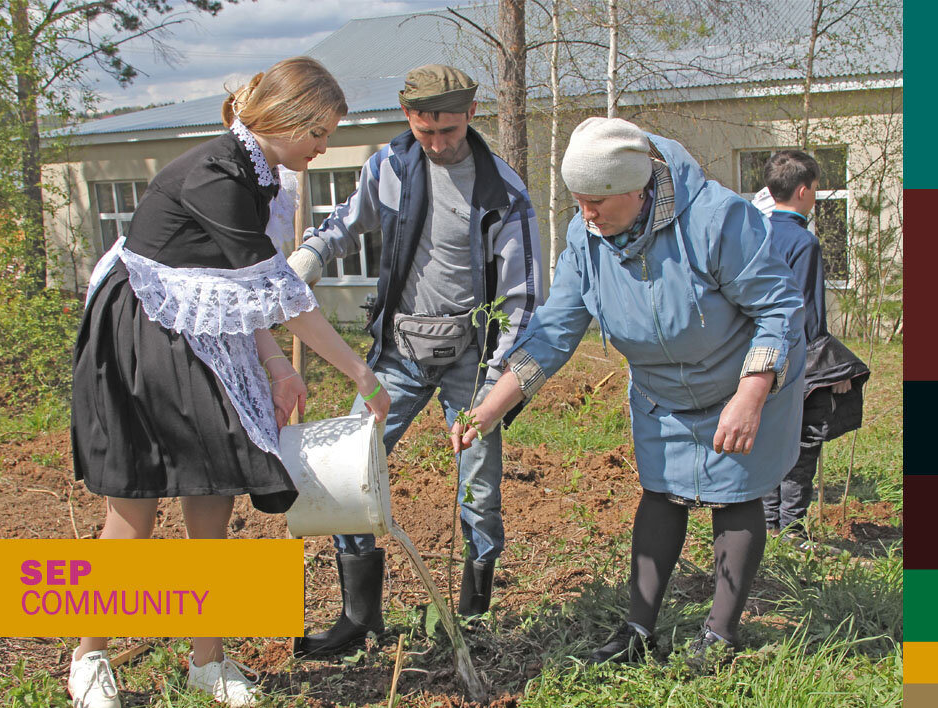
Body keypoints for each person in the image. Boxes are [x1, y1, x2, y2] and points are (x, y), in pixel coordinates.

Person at [68, 57, 390, 708]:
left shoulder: (261, 176)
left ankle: (206, 659)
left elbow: (235, 293)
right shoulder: (217, 174)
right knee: (133, 511)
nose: (326, 146)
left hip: (202, 332)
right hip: (141, 337)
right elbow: (282, 298)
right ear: (294, 120)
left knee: (213, 497)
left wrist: (273, 365)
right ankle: (88, 657)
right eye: (323, 131)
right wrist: (359, 370)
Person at [451, 117, 806, 669]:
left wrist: (752, 393)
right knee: (662, 491)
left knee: (735, 492)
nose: (586, 213)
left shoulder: (715, 219)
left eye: (597, 201)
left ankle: (720, 634)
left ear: (637, 190)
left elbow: (780, 308)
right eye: (578, 200)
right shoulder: (585, 238)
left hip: (743, 378)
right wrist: (492, 406)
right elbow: (554, 329)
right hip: (662, 388)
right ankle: (639, 629)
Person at [287, 64, 543, 657]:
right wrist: (309, 259)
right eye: (426, 130)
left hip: (471, 363)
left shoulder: (502, 191)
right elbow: (342, 226)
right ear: (409, 118)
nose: (438, 143)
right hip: (397, 356)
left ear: (471, 116)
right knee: (346, 472)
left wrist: (493, 388)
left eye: (449, 130)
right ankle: (359, 618)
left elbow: (523, 297)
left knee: (479, 488)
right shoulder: (390, 167)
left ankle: (474, 620)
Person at [760, 150, 868, 541]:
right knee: (801, 445)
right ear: (804, 191)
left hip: (755, 361)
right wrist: (832, 370)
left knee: (767, 441)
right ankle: (792, 530)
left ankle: (768, 523)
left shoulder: (754, 233)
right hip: (794, 362)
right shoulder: (804, 242)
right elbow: (808, 315)